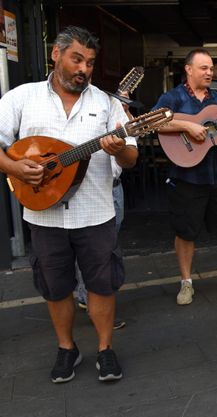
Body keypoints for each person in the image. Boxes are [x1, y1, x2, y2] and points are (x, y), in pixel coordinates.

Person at [0, 26, 138, 383]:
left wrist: (119, 148)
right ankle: (67, 348)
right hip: (43, 213)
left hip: (95, 212)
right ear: (56, 55)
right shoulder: (21, 98)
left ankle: (105, 349)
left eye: (90, 62)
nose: (84, 69)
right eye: (77, 59)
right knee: (55, 286)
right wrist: (15, 167)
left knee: (102, 283)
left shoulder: (108, 104)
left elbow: (132, 158)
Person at [153, 48, 217, 305]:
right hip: (187, 178)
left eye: (211, 68)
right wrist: (187, 125)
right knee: (186, 232)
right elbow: (153, 123)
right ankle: (186, 283)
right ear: (188, 69)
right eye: (203, 68)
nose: (209, 73)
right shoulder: (173, 97)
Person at [75, 94, 134, 331]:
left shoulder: (120, 118)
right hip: (87, 189)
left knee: (107, 246)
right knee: (92, 249)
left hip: (114, 188)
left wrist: (129, 128)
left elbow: (130, 157)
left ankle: (90, 297)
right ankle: (87, 298)